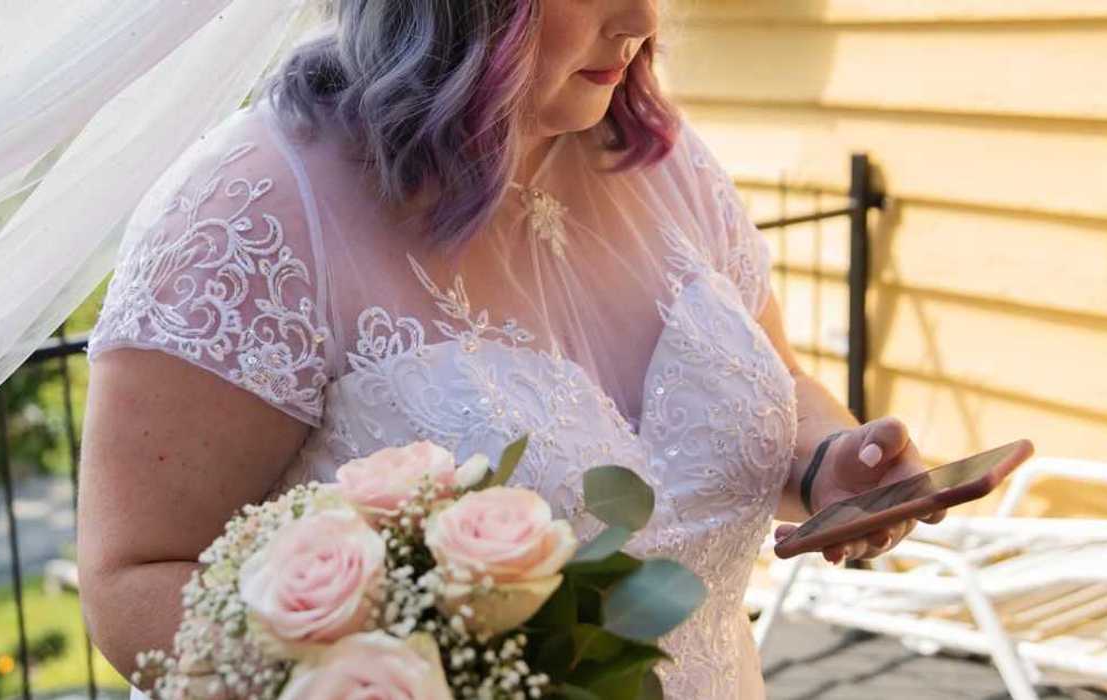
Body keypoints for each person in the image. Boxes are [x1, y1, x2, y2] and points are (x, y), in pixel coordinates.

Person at [76, 1, 945, 697]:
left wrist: (830, 462)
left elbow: (780, 381)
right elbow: (131, 580)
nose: (642, 19)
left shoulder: (662, 163)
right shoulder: (251, 213)